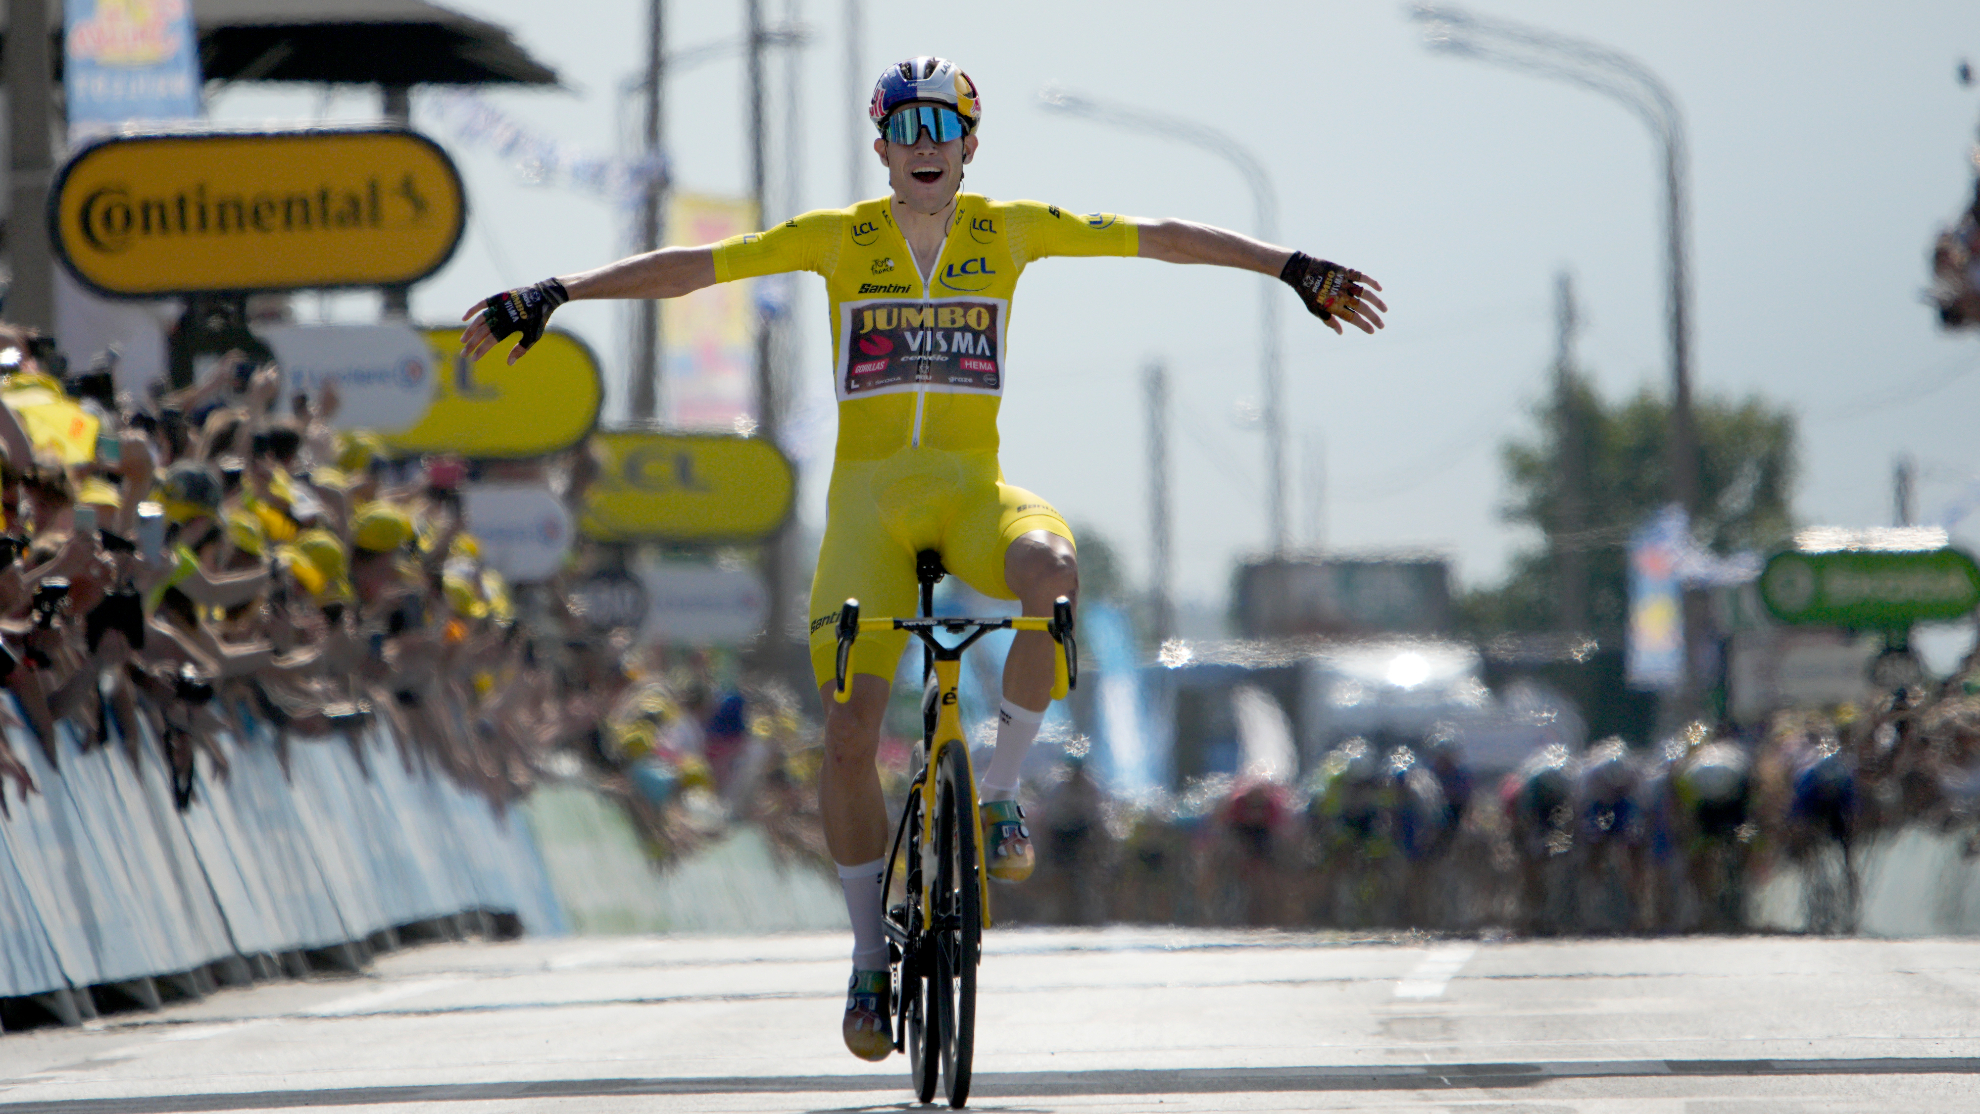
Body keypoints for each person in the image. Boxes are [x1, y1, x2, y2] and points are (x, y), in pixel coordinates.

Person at [460, 55, 1386, 1061]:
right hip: (869, 516)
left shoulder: (1010, 230)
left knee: (1053, 573)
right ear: (884, 146)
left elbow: (1158, 240)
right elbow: (696, 266)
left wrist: (1292, 266)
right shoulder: (838, 239)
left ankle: (996, 796)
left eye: (946, 125)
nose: (928, 142)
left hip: (972, 494)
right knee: (850, 731)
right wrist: (556, 290)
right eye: (908, 126)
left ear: (971, 144)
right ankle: (866, 960)